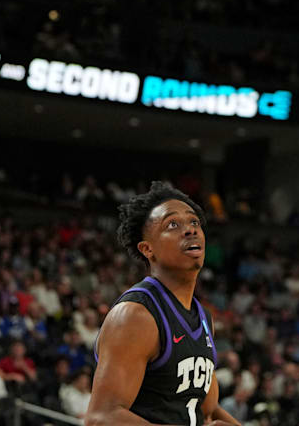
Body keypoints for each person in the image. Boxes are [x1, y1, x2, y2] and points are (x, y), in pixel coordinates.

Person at [85, 181, 237, 426]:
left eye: (194, 222)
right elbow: (101, 418)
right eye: (173, 224)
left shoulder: (203, 317)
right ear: (148, 249)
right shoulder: (135, 315)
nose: (190, 230)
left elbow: (208, 411)